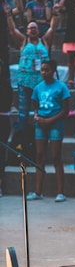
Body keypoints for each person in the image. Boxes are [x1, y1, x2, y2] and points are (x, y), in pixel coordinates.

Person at [4, 1, 59, 138]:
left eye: (35, 27)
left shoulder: (45, 41)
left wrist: (55, 14)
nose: (33, 29)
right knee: (23, 111)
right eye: (30, 28)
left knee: (42, 110)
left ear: (38, 30)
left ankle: (40, 135)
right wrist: (9, 15)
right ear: (27, 31)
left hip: (42, 83)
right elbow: (12, 30)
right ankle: (21, 139)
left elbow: (52, 28)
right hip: (25, 82)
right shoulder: (23, 41)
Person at [27, 60, 70, 202]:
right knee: (40, 156)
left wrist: (50, 121)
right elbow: (35, 106)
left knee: (56, 156)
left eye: (47, 70)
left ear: (53, 71)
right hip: (41, 124)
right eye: (42, 70)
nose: (44, 72)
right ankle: (38, 191)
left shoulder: (61, 87)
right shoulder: (38, 88)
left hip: (56, 123)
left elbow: (65, 110)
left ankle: (61, 192)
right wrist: (36, 116)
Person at [0, 58, 13, 197]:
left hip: (2, 121)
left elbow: (5, 104)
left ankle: (0, 184)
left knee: (0, 154)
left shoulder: (5, 85)